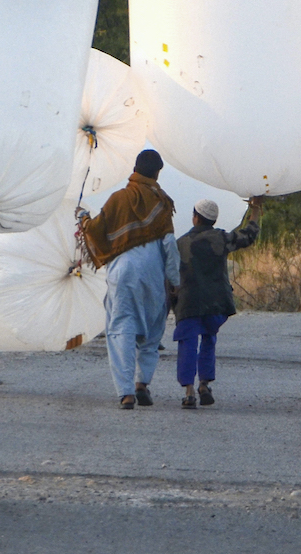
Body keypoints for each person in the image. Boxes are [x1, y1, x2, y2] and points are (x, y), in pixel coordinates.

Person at [81, 149, 180, 409]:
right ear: (157, 172)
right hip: (152, 274)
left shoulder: (118, 199)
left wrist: (83, 220)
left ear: (134, 168)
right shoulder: (162, 202)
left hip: (122, 273)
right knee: (152, 330)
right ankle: (142, 384)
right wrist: (175, 280)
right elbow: (169, 244)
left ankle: (125, 394)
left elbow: (95, 230)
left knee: (121, 329)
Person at [173, 196, 262, 409]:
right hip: (216, 303)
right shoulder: (221, 238)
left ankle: (189, 392)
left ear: (195, 218)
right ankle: (204, 384)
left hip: (189, 303)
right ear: (213, 220)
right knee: (209, 339)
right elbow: (248, 236)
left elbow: (171, 275)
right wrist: (256, 210)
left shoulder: (181, 243)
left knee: (188, 344)